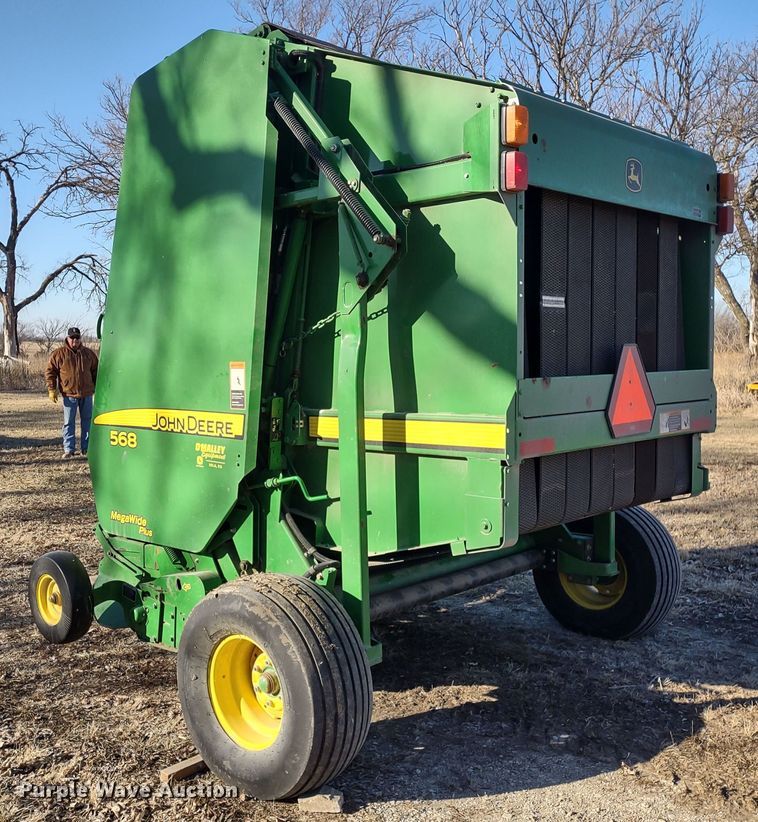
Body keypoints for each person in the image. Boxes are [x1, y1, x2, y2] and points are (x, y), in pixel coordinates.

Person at [45, 327, 99, 459]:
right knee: (69, 422)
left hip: (86, 394)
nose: (75, 340)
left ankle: (86, 448)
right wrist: (52, 389)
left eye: (77, 338)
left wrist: (98, 388)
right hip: (69, 394)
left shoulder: (89, 354)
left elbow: (96, 372)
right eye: (72, 338)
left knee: (87, 421)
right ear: (67, 339)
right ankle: (69, 449)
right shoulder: (58, 354)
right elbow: (50, 372)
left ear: (80, 339)